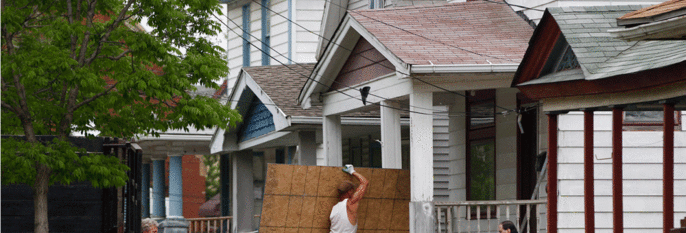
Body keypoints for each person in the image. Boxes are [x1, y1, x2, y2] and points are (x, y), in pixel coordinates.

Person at [330, 164, 369, 233]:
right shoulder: (350, 203)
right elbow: (364, 182)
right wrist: (352, 171)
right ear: (349, 192)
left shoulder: (334, 208)